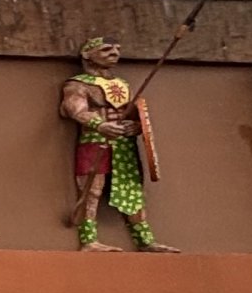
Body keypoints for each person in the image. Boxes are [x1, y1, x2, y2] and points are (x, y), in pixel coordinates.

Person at [59, 36, 169, 250]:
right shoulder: (78, 84)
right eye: (107, 49)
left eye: (117, 49)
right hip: (95, 141)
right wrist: (100, 125)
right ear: (87, 55)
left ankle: (144, 240)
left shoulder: (122, 85)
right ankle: (89, 239)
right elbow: (76, 110)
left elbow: (136, 115)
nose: (114, 53)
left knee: (131, 190)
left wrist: (135, 127)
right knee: (91, 189)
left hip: (123, 144)